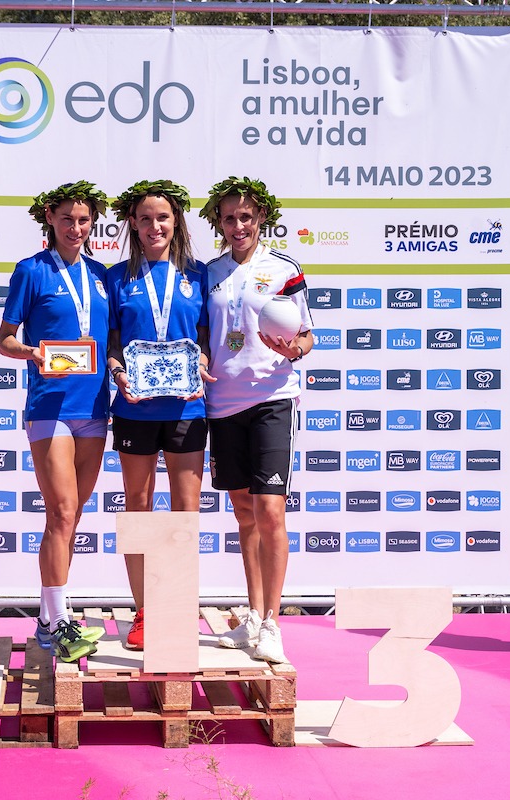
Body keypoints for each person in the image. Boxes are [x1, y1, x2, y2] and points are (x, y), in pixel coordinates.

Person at [200, 177, 314, 664]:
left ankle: (272, 622)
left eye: (246, 217)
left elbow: (307, 337)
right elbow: (205, 333)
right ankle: (252, 612)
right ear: (219, 223)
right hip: (223, 403)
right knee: (244, 513)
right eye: (229, 218)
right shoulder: (210, 272)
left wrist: (295, 349)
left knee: (270, 511)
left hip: (272, 398)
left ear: (261, 218)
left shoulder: (284, 268)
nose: (238, 225)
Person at [0, 180, 110, 663]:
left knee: (70, 517)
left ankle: (48, 616)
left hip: (96, 407)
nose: (76, 228)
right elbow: (4, 339)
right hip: (51, 407)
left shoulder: (104, 274)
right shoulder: (31, 270)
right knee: (62, 513)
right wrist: (32, 353)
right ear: (49, 218)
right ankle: (60, 621)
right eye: (68, 219)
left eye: (84, 220)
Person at [105, 180, 210, 650]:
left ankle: (178, 607)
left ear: (176, 222)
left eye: (163, 217)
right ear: (132, 222)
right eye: (145, 218)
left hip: (188, 405)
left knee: (185, 513)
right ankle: (146, 612)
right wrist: (115, 369)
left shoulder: (199, 274)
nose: (154, 226)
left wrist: (205, 358)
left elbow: (209, 332)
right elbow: (108, 338)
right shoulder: (116, 277)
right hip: (136, 408)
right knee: (140, 512)